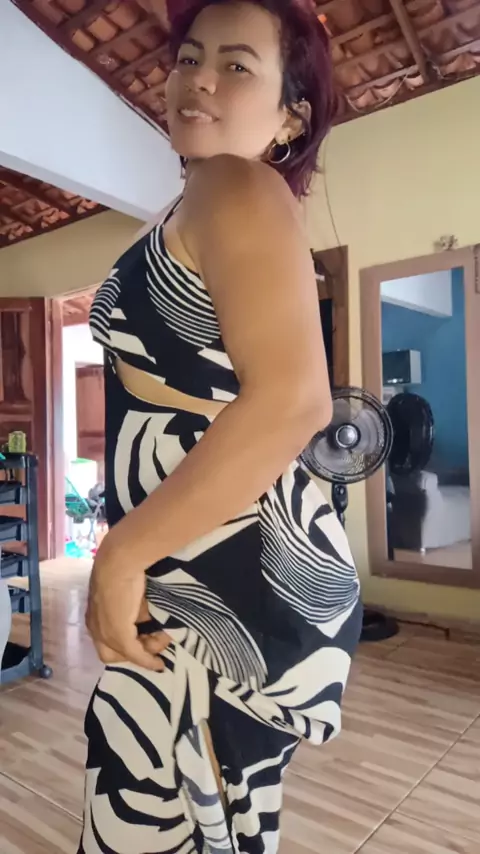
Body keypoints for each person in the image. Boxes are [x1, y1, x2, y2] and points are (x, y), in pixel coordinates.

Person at [81, 2, 362, 852]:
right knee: (214, 825)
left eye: (236, 65)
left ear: (291, 116)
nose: (197, 78)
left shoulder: (232, 184)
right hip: (209, 577)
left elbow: (294, 402)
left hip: (214, 584)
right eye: (189, 57)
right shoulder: (203, 197)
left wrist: (120, 555)